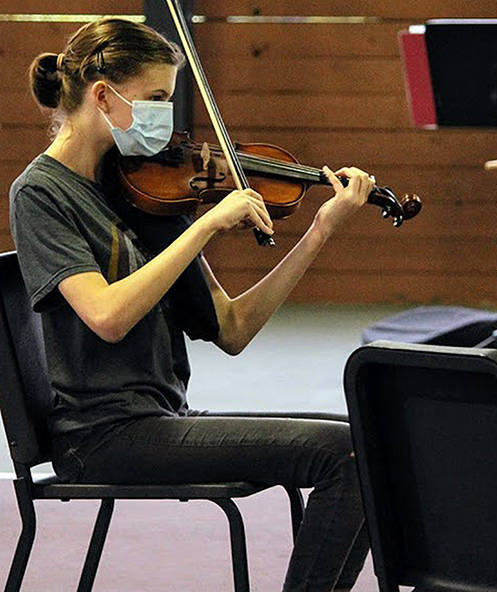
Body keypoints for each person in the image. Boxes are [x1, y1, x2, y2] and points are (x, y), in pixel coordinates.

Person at [11, 18, 372, 592]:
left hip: (161, 420)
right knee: (347, 454)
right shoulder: (41, 194)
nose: (167, 118)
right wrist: (202, 228)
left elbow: (232, 328)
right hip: (102, 437)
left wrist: (318, 234)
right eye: (155, 98)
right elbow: (106, 317)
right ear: (103, 95)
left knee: (368, 435)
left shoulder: (140, 187)